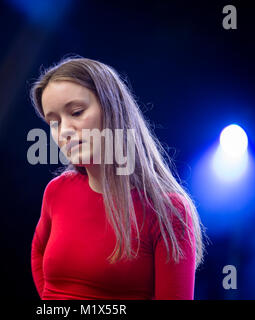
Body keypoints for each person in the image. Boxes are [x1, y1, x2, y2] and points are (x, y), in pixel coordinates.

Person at [29, 56, 206, 300]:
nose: (64, 130)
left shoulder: (168, 210)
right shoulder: (57, 191)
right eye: (54, 122)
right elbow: (38, 251)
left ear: (112, 109)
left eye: (77, 112)